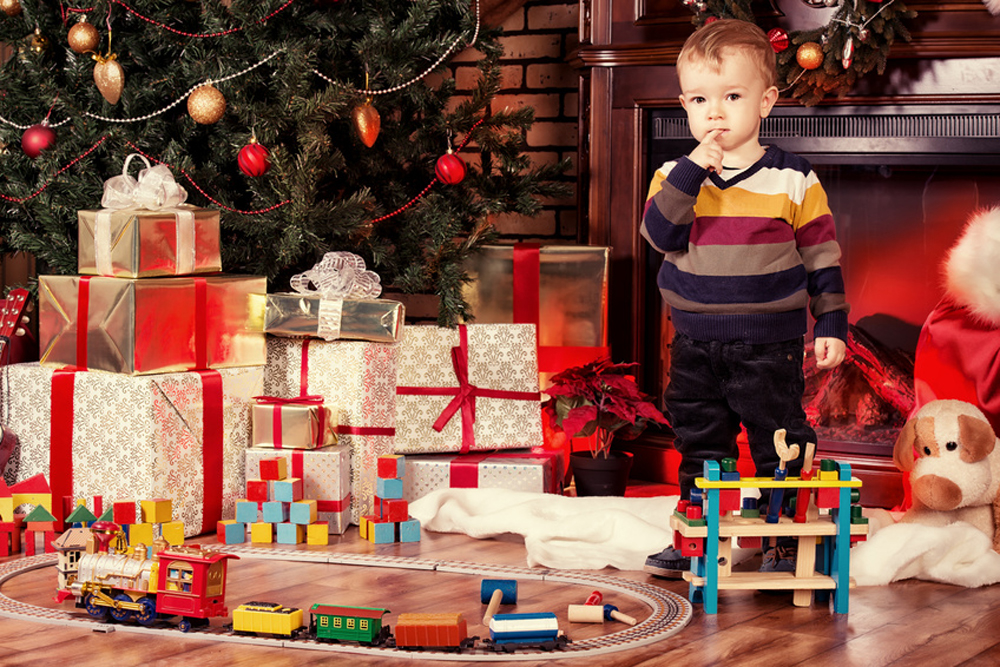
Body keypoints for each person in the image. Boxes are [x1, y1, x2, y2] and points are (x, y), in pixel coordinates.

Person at [640, 19, 849, 578]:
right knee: (700, 439)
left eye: (732, 97)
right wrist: (692, 172)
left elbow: (822, 257)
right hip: (693, 343)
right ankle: (699, 537)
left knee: (777, 436)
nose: (716, 113)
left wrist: (830, 324)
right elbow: (658, 236)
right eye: (701, 99)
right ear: (684, 104)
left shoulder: (793, 178)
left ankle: (780, 537)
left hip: (769, 344)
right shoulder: (673, 176)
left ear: (766, 102)